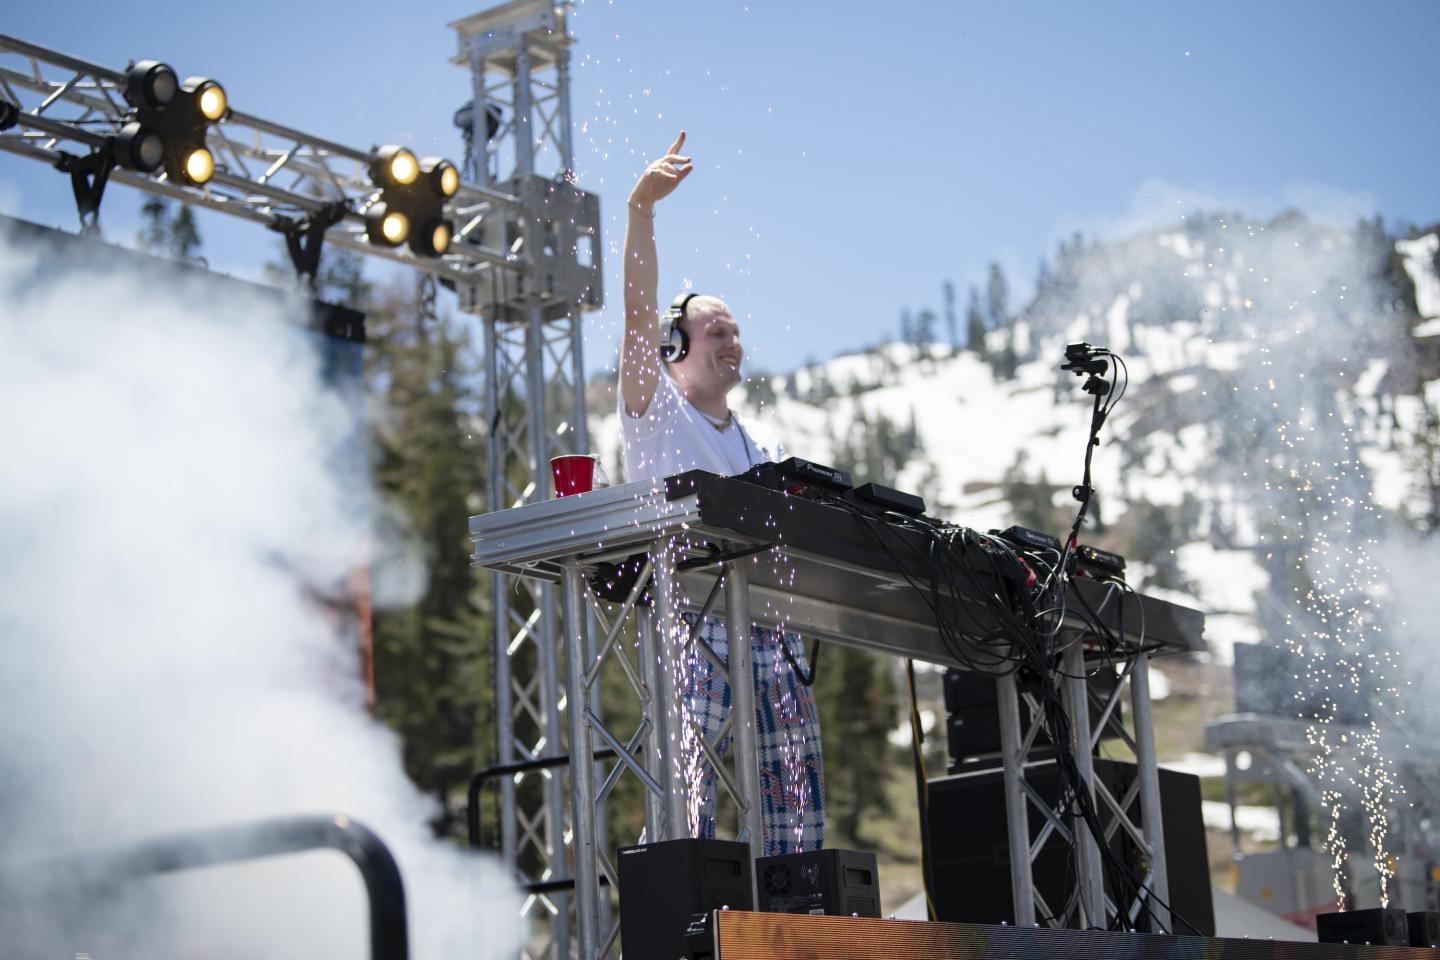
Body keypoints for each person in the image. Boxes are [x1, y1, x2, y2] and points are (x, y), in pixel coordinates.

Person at [619, 131, 824, 855]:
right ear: (677, 347)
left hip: (767, 621)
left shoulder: (756, 445)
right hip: (692, 609)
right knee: (689, 798)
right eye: (715, 331)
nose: (732, 342)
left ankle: (795, 922)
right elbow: (638, 314)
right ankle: (682, 926)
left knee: (794, 801)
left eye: (736, 332)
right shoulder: (656, 410)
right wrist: (642, 209)